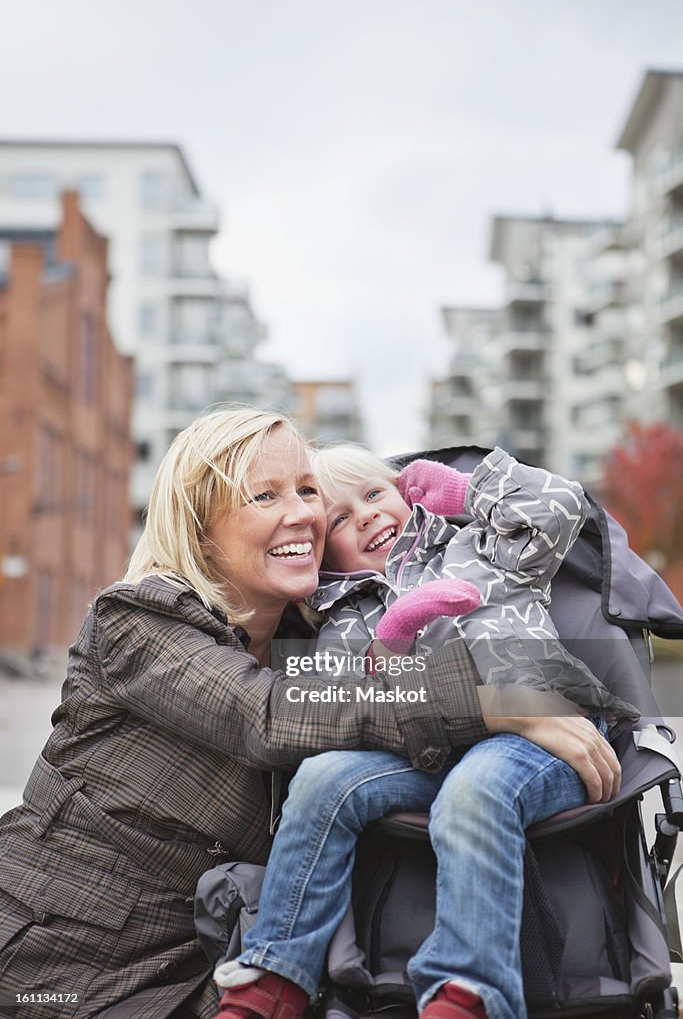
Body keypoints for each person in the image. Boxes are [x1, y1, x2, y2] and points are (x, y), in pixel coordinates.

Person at [0, 408, 493, 1019]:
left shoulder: (316, 644)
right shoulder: (136, 621)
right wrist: (504, 705)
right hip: (59, 961)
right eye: (264, 495)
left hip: (215, 965)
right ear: (199, 525)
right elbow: (264, 714)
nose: (304, 514)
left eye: (307, 490)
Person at [211, 445, 635, 1019]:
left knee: (475, 790)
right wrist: (393, 642)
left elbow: (561, 508)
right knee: (319, 778)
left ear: (407, 498)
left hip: (541, 732)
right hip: (422, 751)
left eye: (374, 494)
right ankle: (275, 972)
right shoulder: (341, 615)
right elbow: (354, 709)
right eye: (338, 518)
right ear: (323, 550)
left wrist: (465, 493)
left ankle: (468, 990)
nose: (364, 515)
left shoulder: (479, 547)